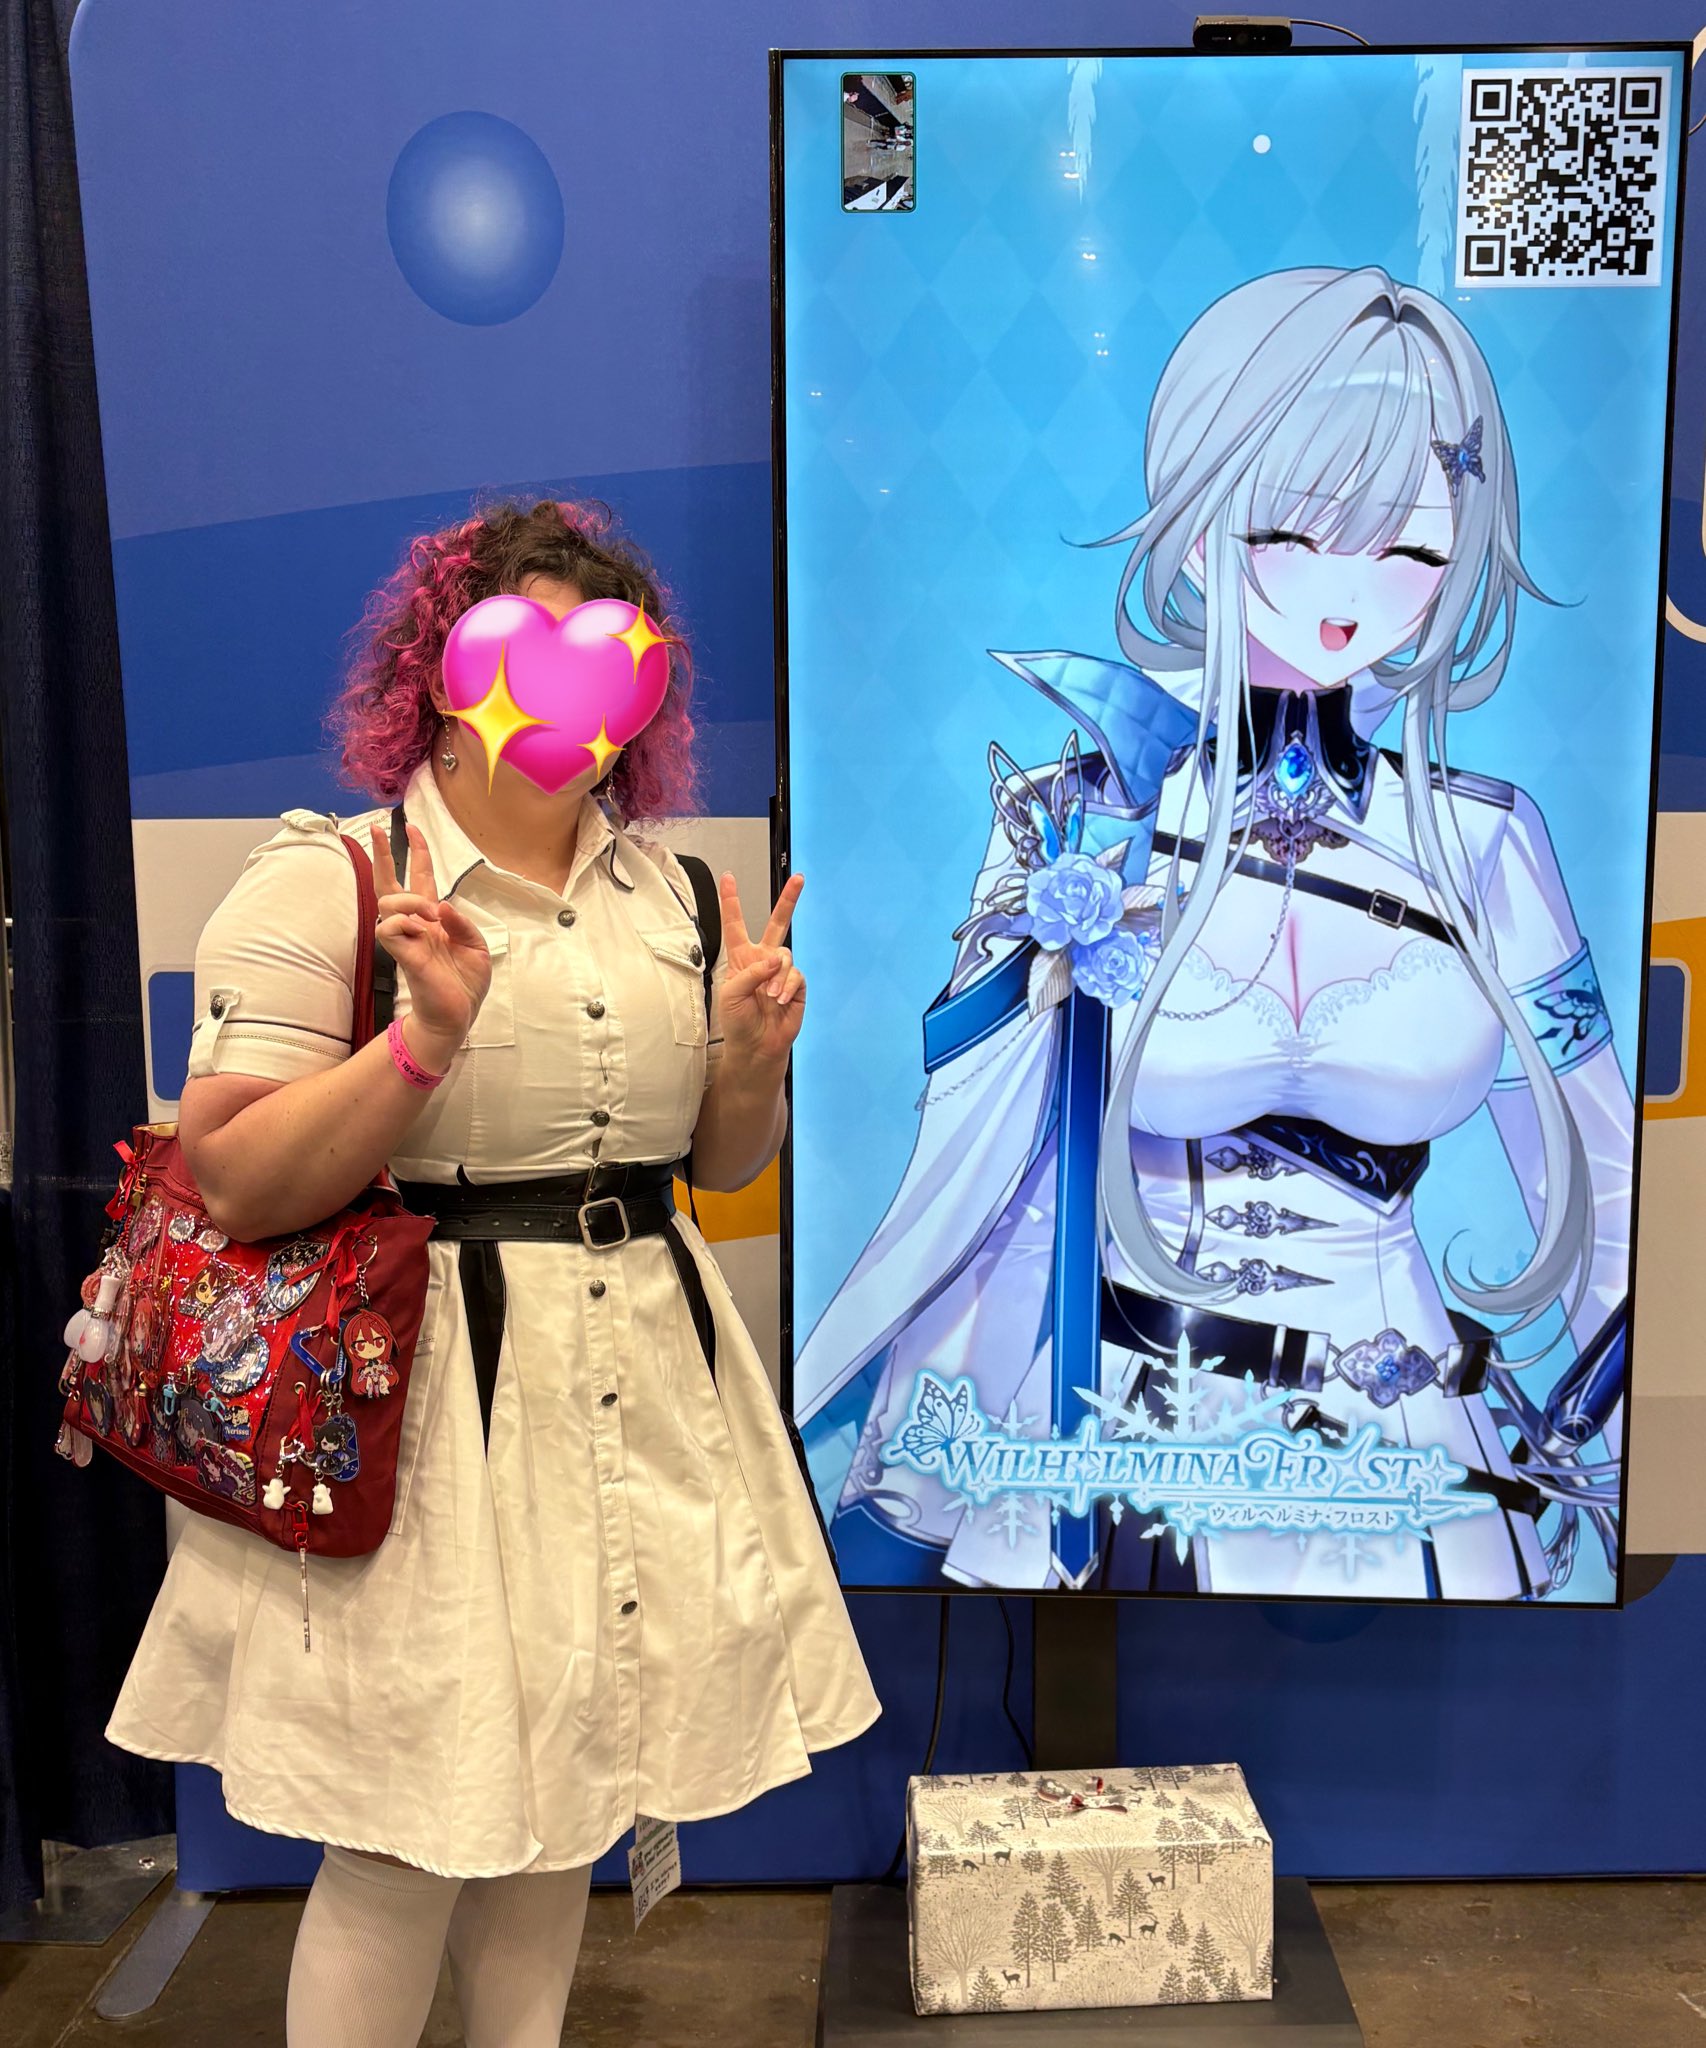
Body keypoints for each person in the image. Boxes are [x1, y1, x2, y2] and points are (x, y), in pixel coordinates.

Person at [105, 499, 881, 2046]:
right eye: (525, 652)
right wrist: (421, 1044)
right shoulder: (331, 880)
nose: (569, 697)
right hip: (417, 1400)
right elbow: (237, 1174)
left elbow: (717, 1164)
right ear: (440, 674)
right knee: (402, 1835)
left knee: (566, 1799)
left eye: (610, 661)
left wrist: (746, 1057)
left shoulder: (676, 895)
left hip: (640, 1375)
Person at [794, 267, 1631, 1601]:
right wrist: (924, 1459)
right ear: (1198, 530)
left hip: (1394, 1447)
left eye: (1412, 553)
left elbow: (1600, 1187)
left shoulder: (1486, 843)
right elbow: (993, 1174)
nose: (1349, 593)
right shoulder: (1079, 817)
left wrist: (1602, 1438)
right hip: (1117, 1430)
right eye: (1295, 535)